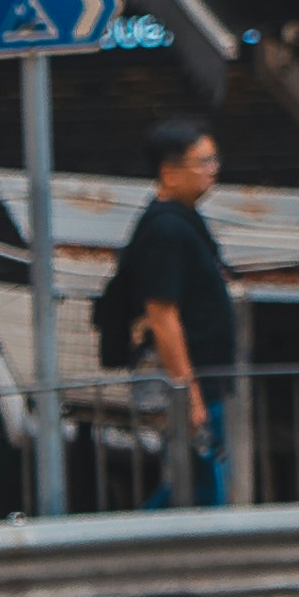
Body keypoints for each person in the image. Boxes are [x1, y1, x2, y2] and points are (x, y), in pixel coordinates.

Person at [97, 111, 238, 511]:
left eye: (214, 159)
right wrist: (188, 394)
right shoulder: (165, 230)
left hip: (203, 381)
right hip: (191, 384)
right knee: (201, 488)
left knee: (193, 483)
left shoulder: (183, 219)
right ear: (169, 173)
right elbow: (162, 316)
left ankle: (135, 541)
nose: (213, 170)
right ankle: (132, 542)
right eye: (203, 162)